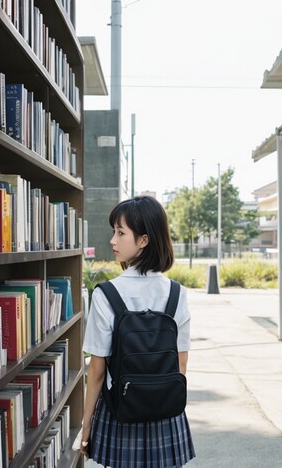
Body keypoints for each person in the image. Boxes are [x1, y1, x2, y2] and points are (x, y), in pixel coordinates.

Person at [81, 195, 196, 467]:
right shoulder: (177, 293)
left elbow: (97, 370)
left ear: (143, 240)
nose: (113, 240)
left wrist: (87, 426)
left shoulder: (107, 294)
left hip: (120, 411)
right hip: (166, 411)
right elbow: (181, 362)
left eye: (121, 233)